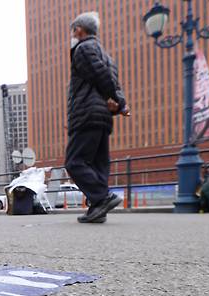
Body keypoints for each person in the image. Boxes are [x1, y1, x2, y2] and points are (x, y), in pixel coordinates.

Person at [65, 11, 130, 223]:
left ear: (79, 30)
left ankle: (102, 198)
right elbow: (113, 82)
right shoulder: (108, 56)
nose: (72, 34)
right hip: (102, 117)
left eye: (73, 30)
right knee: (99, 163)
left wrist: (117, 101)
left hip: (86, 113)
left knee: (74, 162)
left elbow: (101, 76)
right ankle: (97, 209)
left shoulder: (83, 48)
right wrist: (121, 103)